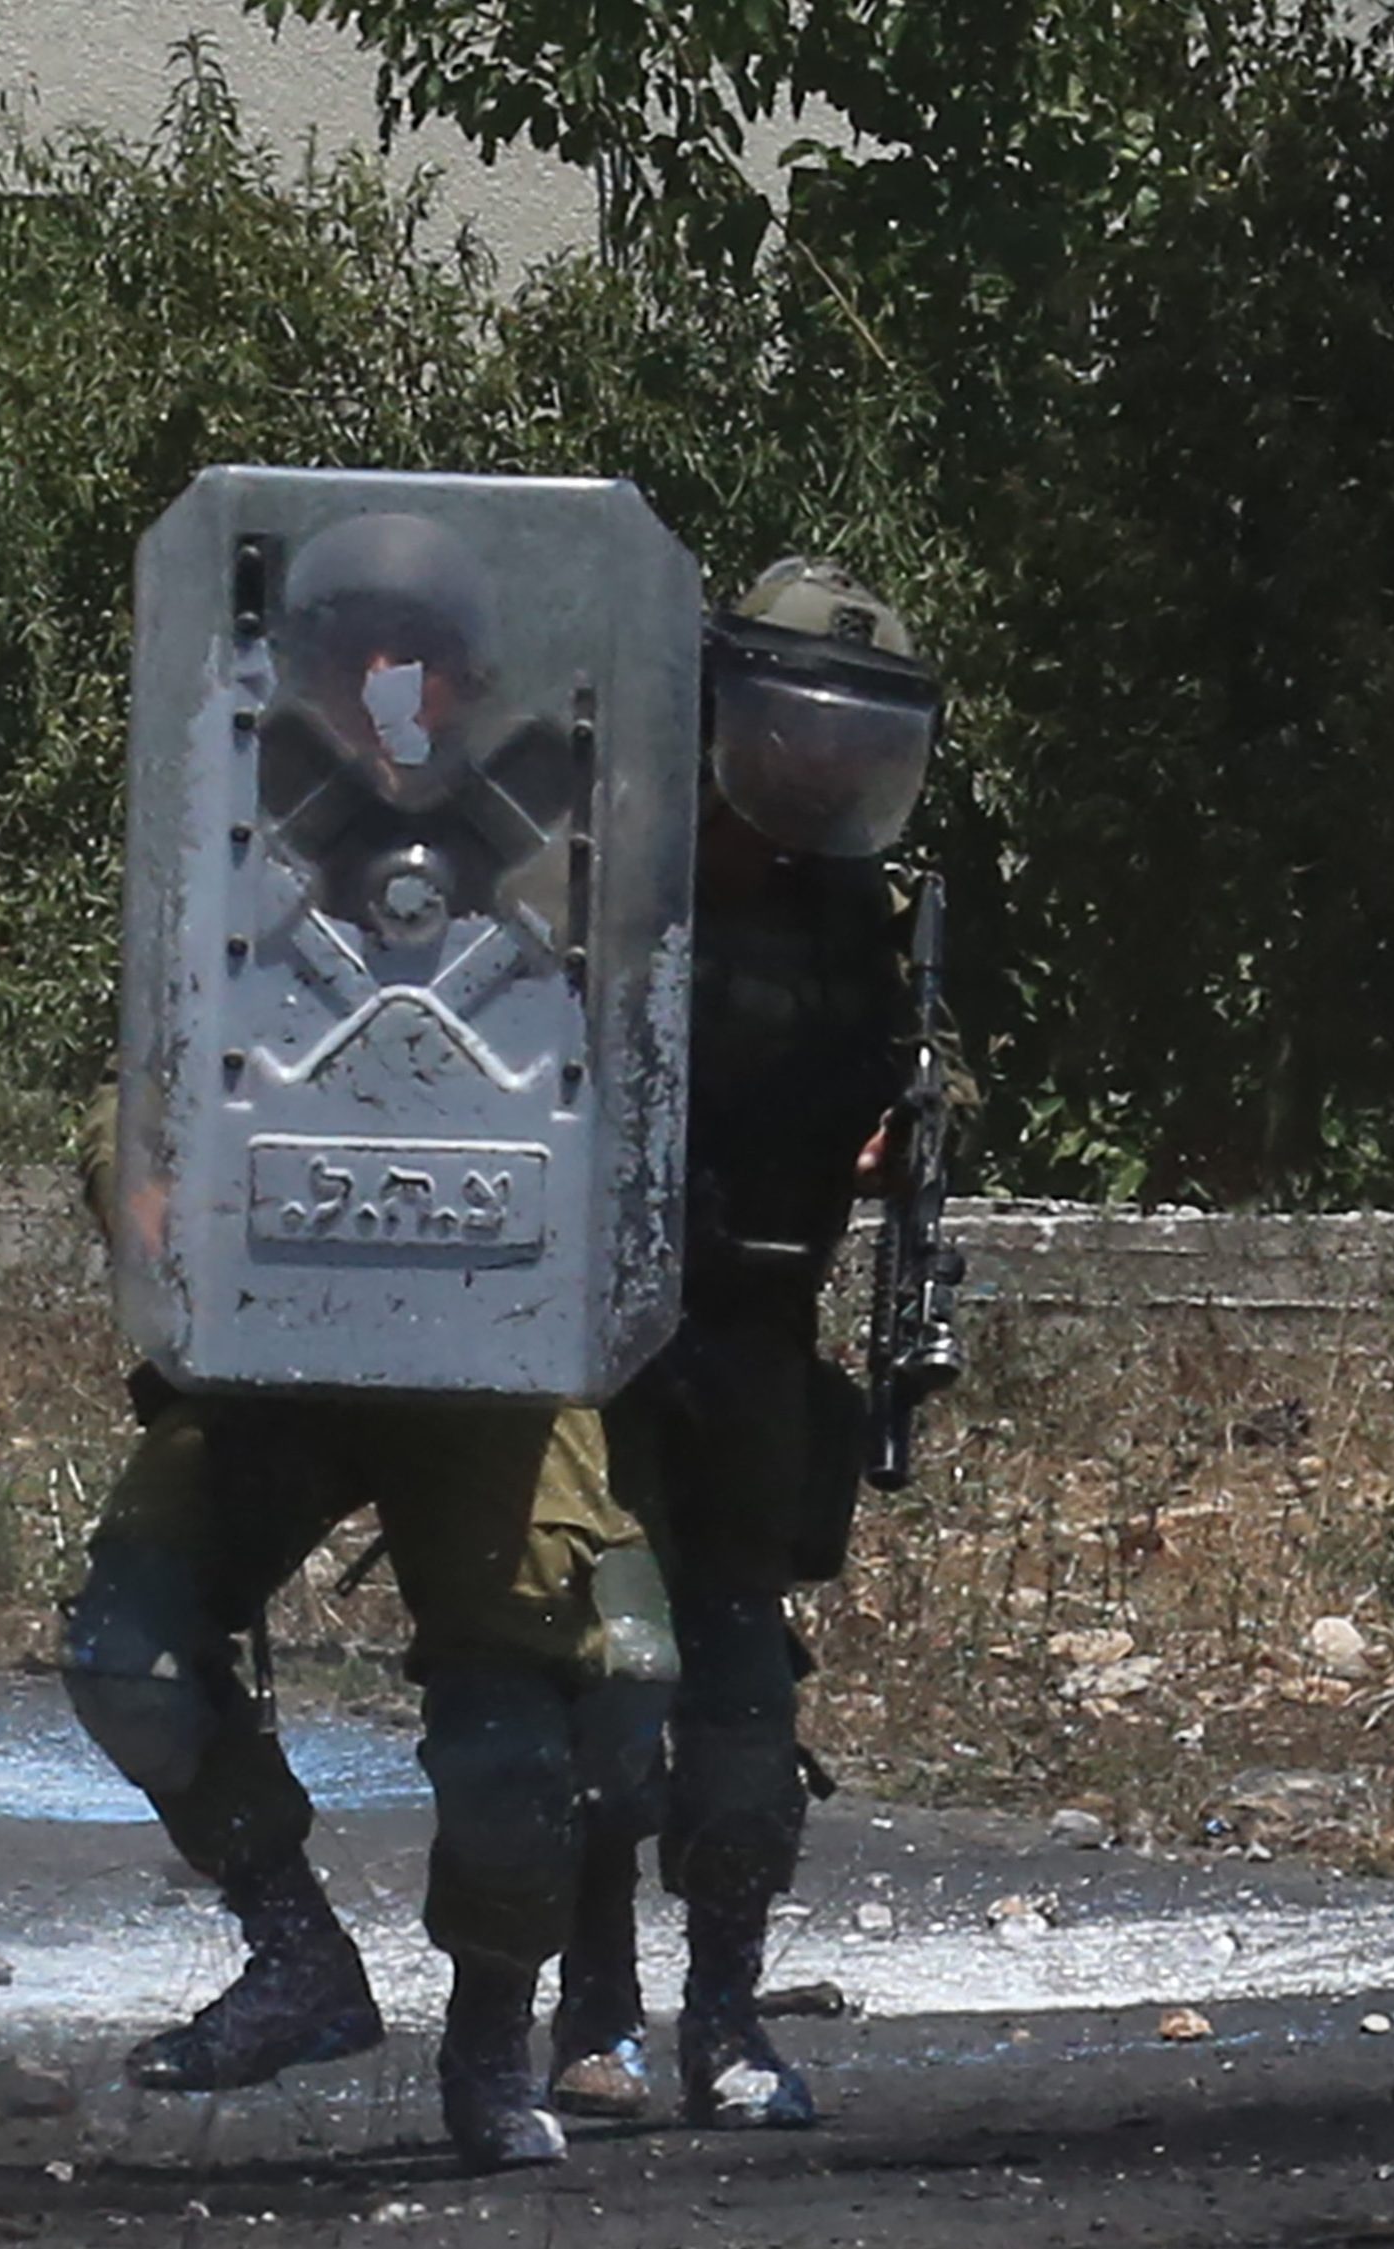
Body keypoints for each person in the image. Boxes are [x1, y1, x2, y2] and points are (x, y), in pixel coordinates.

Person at [63, 1093, 679, 2172]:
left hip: (494, 1346)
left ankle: (489, 2033)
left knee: (517, 1733)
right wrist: (143, 1186)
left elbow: (637, 1082)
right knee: (128, 1654)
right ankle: (296, 1955)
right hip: (277, 1335)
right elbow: (155, 1071)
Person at [549, 558, 943, 2131]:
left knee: (740, 1715)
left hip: (761, 1342)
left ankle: (723, 2016)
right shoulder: (620, 867)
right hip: (607, 1342)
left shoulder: (855, 916)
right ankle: (589, 2010)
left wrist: (902, 1134)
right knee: (604, 1681)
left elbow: (914, 1076)